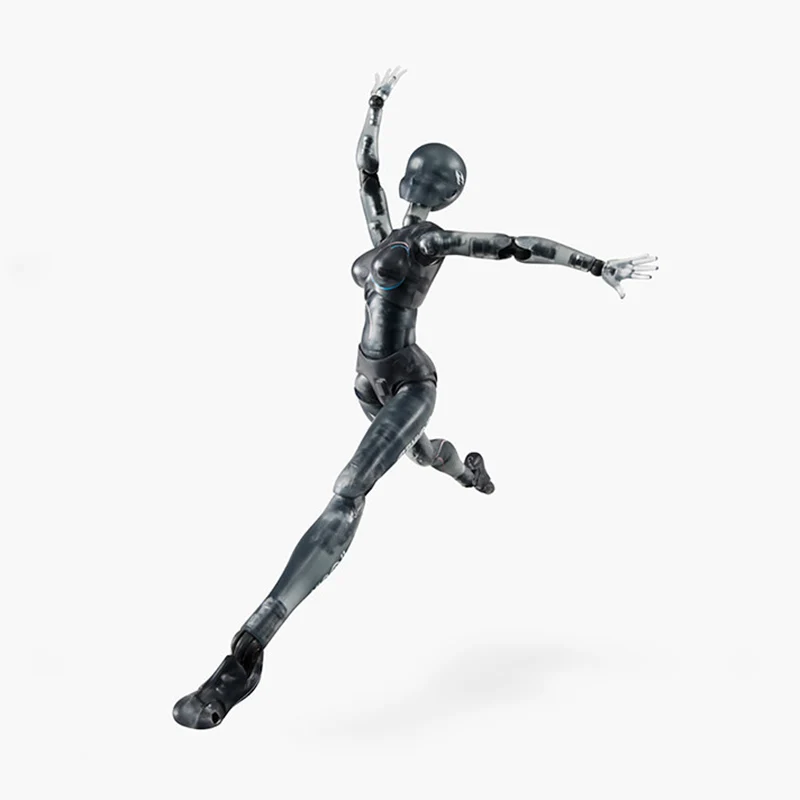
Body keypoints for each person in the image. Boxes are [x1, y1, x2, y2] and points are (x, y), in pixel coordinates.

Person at [172, 67, 658, 729]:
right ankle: (468, 472)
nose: (421, 186)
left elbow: (515, 248)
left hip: (408, 382)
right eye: (420, 175)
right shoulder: (385, 236)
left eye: (438, 181)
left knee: (350, 488)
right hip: (366, 382)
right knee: (423, 455)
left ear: (448, 196)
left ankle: (248, 651)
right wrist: (376, 103)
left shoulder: (430, 243)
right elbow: (364, 173)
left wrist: (597, 265)